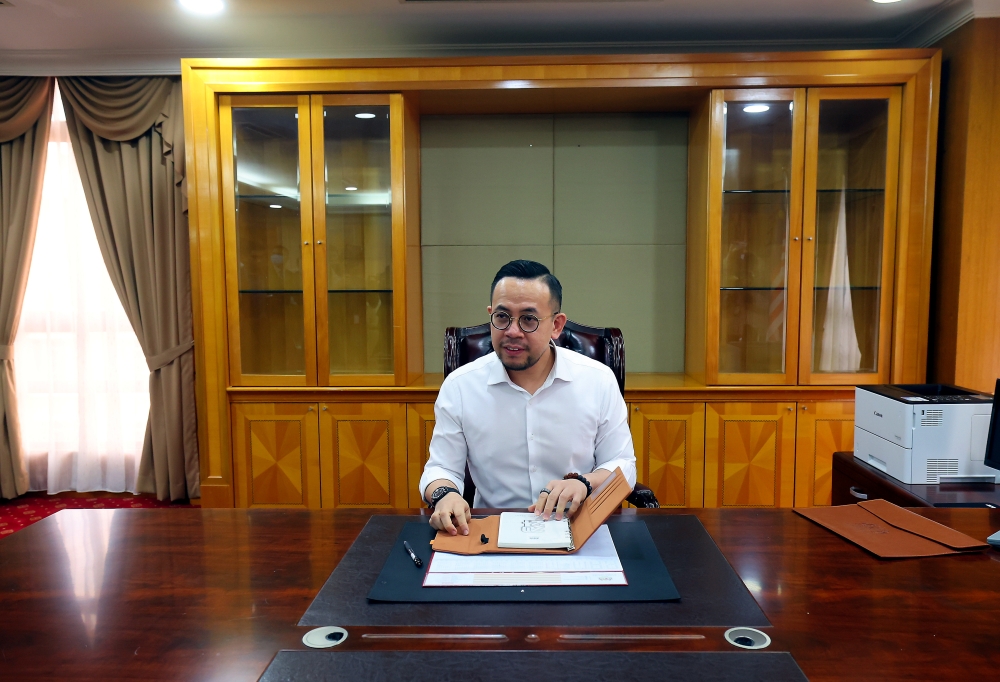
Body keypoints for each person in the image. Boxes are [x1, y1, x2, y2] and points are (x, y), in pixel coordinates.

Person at [419, 260, 636, 536]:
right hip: (490, 532)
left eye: (529, 319)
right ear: (490, 316)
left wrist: (585, 482)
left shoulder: (597, 381)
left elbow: (623, 466)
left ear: (556, 325)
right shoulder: (460, 386)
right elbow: (441, 467)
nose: (512, 331)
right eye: (502, 317)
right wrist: (445, 495)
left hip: (577, 530)